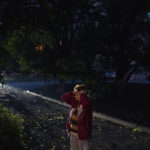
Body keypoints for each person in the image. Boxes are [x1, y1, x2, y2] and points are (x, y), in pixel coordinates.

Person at [61, 84, 93, 150]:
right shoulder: (75, 103)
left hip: (82, 134)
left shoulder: (88, 104)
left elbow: (86, 104)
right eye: (76, 94)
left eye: (79, 95)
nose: (76, 96)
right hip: (72, 133)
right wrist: (74, 92)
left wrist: (81, 95)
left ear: (84, 95)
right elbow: (64, 97)